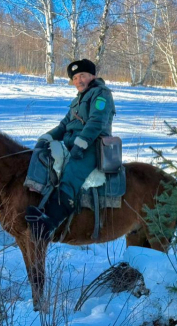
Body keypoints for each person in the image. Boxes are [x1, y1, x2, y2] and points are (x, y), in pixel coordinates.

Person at [26, 59, 116, 242]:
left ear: (93, 76)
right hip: (71, 144)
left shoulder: (101, 95)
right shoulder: (78, 100)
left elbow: (96, 122)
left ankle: (49, 223)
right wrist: (47, 138)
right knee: (46, 162)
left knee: (71, 175)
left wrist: (81, 144)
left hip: (92, 146)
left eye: (82, 75)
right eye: (74, 78)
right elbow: (64, 125)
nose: (78, 81)